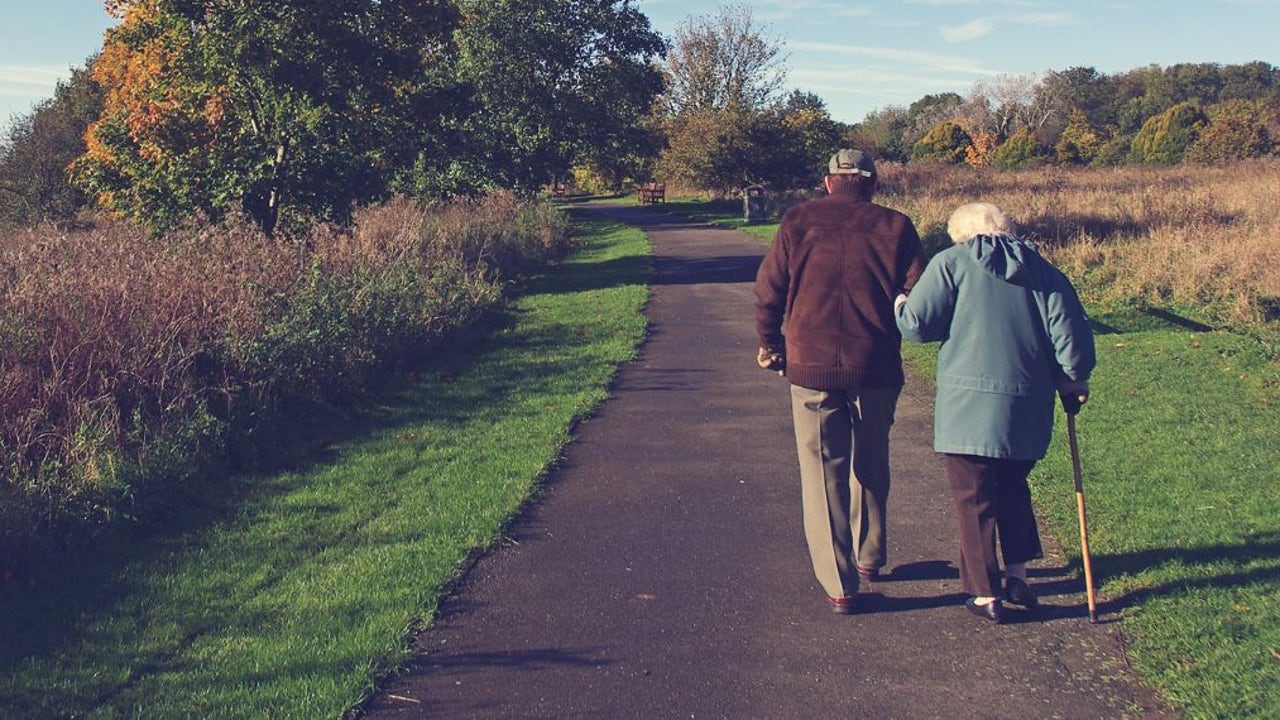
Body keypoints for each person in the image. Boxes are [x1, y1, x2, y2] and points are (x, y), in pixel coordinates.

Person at [894, 202, 1095, 623]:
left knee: (974, 496)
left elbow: (917, 325)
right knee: (1012, 486)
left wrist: (899, 303)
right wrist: (1074, 379)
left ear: (961, 235)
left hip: (967, 406)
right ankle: (1018, 575)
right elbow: (1070, 339)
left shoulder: (951, 263)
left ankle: (985, 593)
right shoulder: (1045, 271)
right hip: (1027, 405)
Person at [754, 149, 926, 614]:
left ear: (829, 181)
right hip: (876, 364)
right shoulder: (896, 226)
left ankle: (840, 583)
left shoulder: (798, 221)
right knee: (872, 459)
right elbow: (918, 292)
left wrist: (771, 344)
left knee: (822, 471)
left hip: (811, 364)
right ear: (871, 183)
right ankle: (869, 555)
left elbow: (768, 290)